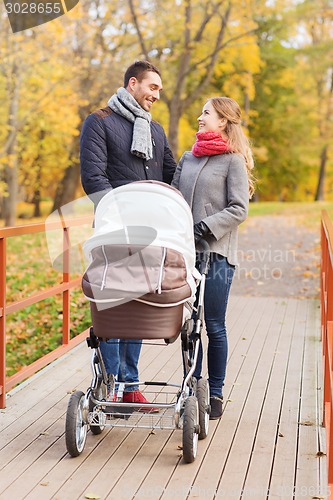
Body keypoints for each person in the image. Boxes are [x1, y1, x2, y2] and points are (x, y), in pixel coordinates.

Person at [80, 60, 176, 408]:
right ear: (133, 83)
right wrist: (123, 218)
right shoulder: (100, 121)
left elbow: (170, 175)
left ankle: (130, 384)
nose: (156, 95)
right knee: (113, 305)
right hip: (114, 231)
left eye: (160, 90)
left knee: (139, 303)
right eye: (152, 87)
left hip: (152, 235)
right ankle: (110, 385)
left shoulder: (155, 130)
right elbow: (93, 177)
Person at [172, 96, 255, 419]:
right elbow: (175, 198)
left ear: (222, 121)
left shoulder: (233, 161)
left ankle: (216, 392)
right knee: (189, 326)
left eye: (205, 112)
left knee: (213, 324)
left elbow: (239, 208)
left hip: (217, 253)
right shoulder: (187, 158)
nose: (199, 116)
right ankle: (194, 388)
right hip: (185, 253)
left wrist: (205, 227)